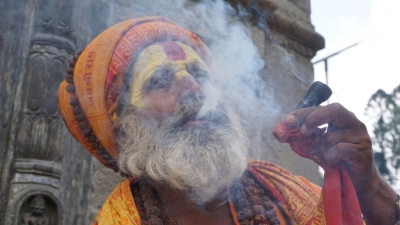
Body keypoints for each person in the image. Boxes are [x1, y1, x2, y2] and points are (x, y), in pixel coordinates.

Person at [58, 16, 399, 225]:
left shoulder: (283, 191)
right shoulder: (122, 220)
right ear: (125, 125)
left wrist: (367, 184)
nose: (193, 89)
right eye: (160, 80)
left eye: (198, 73)